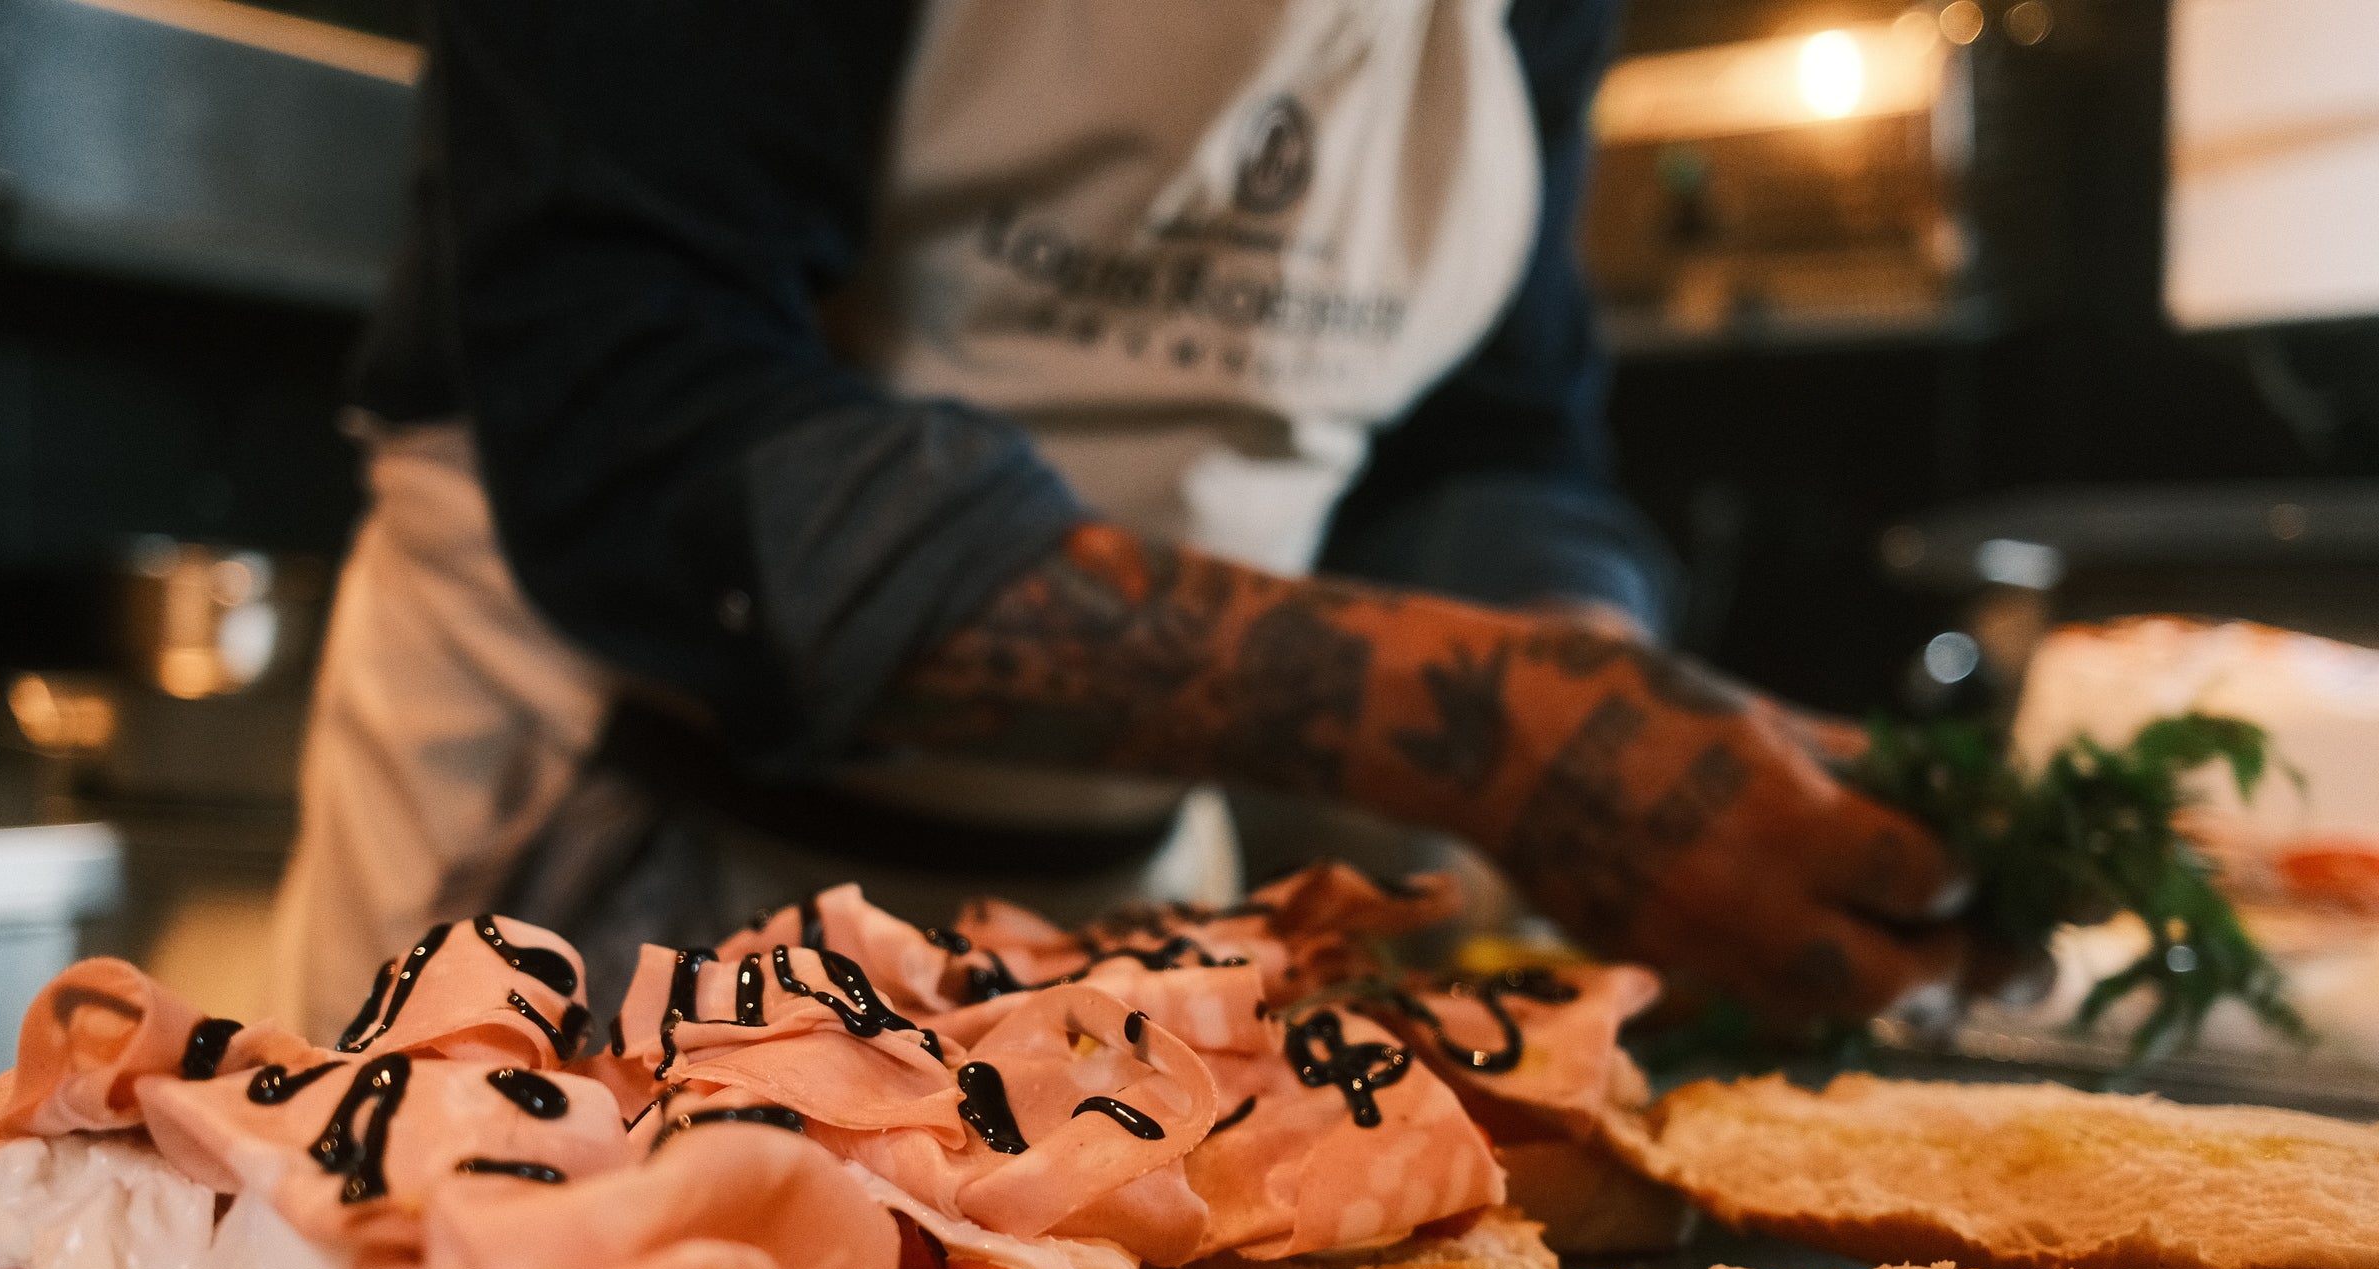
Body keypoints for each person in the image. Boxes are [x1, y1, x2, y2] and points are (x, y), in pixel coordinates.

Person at [271, 0, 1965, 1042]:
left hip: (1128, 919)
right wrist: (1489, 736)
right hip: (605, 879)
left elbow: (1487, 434)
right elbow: (640, 406)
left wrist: (1595, 696)